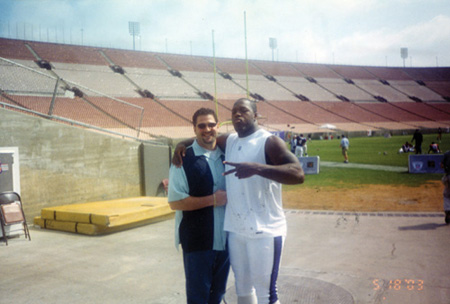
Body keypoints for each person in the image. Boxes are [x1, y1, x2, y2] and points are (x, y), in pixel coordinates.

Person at [173, 98, 305, 304]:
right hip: (235, 230)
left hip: (265, 229)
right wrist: (181, 144)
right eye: (234, 111)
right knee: (242, 289)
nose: (237, 114)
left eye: (243, 110)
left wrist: (258, 168)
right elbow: (205, 136)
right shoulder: (231, 140)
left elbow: (298, 173)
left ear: (255, 115)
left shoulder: (268, 141)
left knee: (267, 293)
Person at [168, 107, 230, 304]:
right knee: (198, 298)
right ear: (194, 128)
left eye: (211, 124)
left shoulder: (228, 156)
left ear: (217, 126)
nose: (207, 129)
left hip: (226, 241)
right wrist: (213, 200)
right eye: (201, 125)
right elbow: (175, 202)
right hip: (197, 242)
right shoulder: (183, 159)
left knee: (218, 294)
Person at [440, 151, 450, 225]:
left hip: (448, 176)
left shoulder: (447, 153)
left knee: (446, 195)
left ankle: (448, 211)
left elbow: (442, 165)